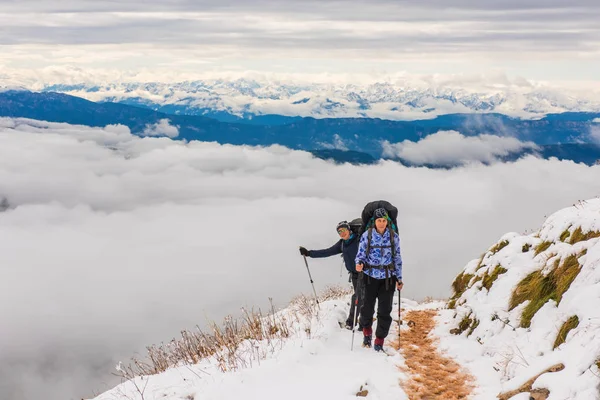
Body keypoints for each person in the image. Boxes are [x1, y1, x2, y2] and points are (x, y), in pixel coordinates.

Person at [355, 207, 404, 352]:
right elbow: (361, 254)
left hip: (388, 279)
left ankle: (379, 341)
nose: (381, 223)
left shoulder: (393, 237)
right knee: (366, 308)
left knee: (385, 310)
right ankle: (367, 333)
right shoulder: (367, 235)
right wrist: (359, 263)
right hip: (369, 276)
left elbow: (397, 258)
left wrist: (399, 278)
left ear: (387, 221)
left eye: (384, 221)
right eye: (379, 221)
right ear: (374, 221)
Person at [299, 221, 361, 329]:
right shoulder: (342, 244)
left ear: (349, 230)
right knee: (361, 297)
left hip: (365, 273)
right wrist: (309, 253)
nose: (342, 233)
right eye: (339, 232)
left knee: (358, 297)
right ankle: (363, 321)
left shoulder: (359, 240)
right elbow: (327, 252)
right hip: (354, 275)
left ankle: (351, 322)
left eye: (344, 230)